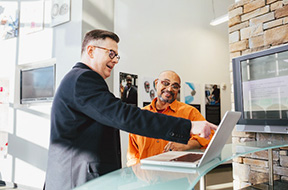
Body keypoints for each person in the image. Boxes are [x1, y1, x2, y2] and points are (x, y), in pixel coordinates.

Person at [44, 29, 217, 190]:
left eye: (117, 56)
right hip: (78, 180)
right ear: (90, 51)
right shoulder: (83, 79)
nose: (114, 60)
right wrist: (188, 127)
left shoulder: (78, 79)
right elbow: (125, 116)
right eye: (111, 53)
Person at [127, 71, 215, 166]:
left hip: (178, 176)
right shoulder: (141, 115)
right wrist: (138, 173)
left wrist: (186, 145)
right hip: (146, 177)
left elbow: (210, 135)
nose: (169, 89)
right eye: (165, 83)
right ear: (156, 83)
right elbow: (132, 154)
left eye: (175, 86)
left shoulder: (190, 112)